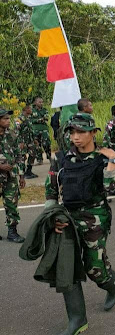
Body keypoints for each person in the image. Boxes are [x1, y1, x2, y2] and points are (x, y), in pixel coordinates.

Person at [43, 113, 115, 334]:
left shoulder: (103, 157)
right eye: (72, 132)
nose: (75, 137)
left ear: (93, 133)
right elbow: (51, 190)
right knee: (67, 267)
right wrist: (53, 217)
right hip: (67, 217)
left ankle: (112, 283)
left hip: (95, 216)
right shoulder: (60, 158)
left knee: (94, 269)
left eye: (81, 132)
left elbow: (112, 189)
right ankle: (77, 320)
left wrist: (113, 161)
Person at [0, 108, 26, 243]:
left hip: (10, 176)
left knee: (12, 203)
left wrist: (21, 175)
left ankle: (12, 232)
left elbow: (19, 155)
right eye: (5, 118)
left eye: (8, 118)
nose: (8, 121)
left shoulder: (12, 134)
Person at [16, 104, 39, 179]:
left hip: (30, 141)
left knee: (33, 154)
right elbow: (16, 131)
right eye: (30, 109)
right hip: (22, 142)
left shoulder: (29, 118)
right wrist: (20, 142)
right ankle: (22, 174)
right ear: (26, 110)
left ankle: (28, 171)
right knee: (22, 157)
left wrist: (35, 139)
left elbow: (31, 130)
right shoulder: (19, 119)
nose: (31, 110)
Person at [31, 96, 51, 163]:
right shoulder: (31, 110)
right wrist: (40, 120)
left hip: (44, 130)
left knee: (46, 144)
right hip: (35, 130)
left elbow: (46, 117)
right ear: (35, 103)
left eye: (42, 102)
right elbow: (30, 120)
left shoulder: (45, 110)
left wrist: (37, 120)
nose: (41, 103)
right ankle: (39, 159)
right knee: (37, 145)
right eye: (39, 102)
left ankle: (49, 156)